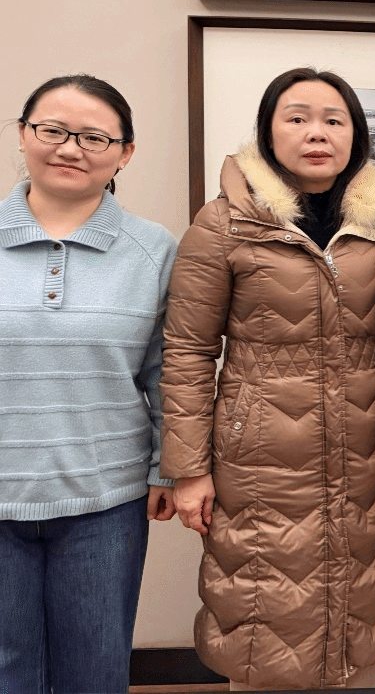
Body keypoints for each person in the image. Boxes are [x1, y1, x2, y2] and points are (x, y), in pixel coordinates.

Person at [161, 68, 375, 690]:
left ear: (355, 135)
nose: (316, 133)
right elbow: (188, 350)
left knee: (363, 607)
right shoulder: (223, 222)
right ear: (268, 132)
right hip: (257, 459)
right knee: (261, 613)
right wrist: (189, 468)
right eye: (297, 118)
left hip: (366, 452)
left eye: (333, 120)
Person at [0, 75, 177, 694]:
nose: (70, 148)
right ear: (23, 134)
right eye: (52, 130)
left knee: (95, 673)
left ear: (125, 153)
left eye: (94, 137)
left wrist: (167, 469)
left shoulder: (154, 249)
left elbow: (167, 370)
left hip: (107, 501)